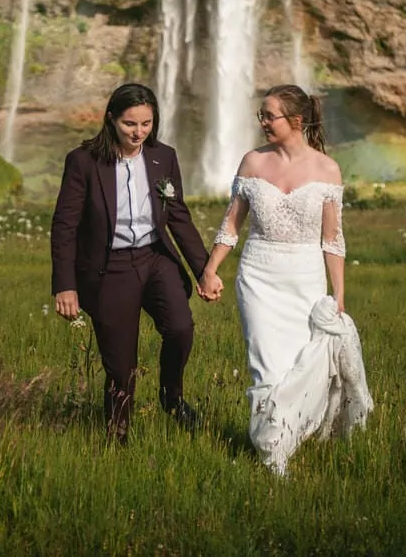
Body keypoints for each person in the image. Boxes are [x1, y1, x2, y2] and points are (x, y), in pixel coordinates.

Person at [198, 83, 372, 474]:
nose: (261, 122)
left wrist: (339, 295)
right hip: (258, 276)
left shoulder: (327, 169)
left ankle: (288, 436)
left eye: (268, 115)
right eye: (260, 115)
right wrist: (211, 269)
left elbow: (333, 240)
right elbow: (231, 225)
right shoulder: (252, 162)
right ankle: (272, 453)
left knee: (300, 365)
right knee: (266, 366)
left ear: (296, 120)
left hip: (306, 280)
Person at [50, 82, 211, 444]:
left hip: (155, 258)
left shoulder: (163, 157)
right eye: (129, 124)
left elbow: (178, 217)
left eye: (146, 123)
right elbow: (64, 226)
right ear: (111, 120)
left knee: (181, 328)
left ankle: (172, 397)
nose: (138, 132)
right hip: (111, 267)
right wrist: (65, 283)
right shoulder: (83, 161)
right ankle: (117, 436)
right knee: (121, 365)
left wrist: (204, 271)